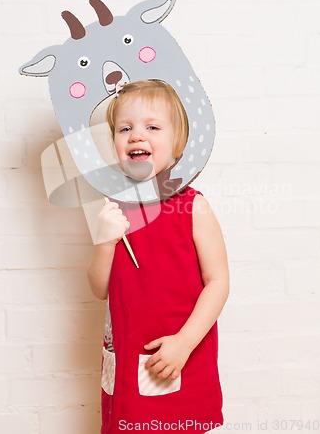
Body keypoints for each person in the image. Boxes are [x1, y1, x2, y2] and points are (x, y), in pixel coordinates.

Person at [87, 80, 230, 433]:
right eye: (125, 128)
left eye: (152, 127)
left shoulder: (192, 207)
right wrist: (104, 243)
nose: (137, 135)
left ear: (178, 146)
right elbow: (98, 288)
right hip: (125, 348)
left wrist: (184, 343)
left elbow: (218, 282)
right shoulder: (113, 208)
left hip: (180, 352)